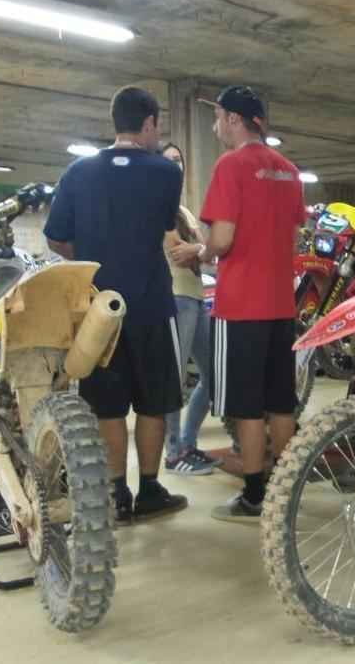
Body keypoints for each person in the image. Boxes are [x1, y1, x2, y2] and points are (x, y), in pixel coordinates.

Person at [44, 86, 187, 524]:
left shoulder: (78, 172)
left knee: (107, 405)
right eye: (156, 125)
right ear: (148, 124)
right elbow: (164, 225)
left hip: (98, 309)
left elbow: (55, 236)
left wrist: (89, 261)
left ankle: (116, 493)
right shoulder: (166, 172)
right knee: (153, 402)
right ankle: (150, 488)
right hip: (150, 304)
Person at [195, 85, 305, 522]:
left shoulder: (231, 165)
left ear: (236, 119)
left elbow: (221, 239)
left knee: (245, 405)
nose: (215, 125)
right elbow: (292, 236)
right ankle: (287, 487)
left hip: (240, 306)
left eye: (218, 116)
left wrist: (197, 252)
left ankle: (255, 496)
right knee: (281, 400)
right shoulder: (289, 170)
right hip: (282, 304)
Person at [159, 142, 220, 475]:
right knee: (174, 378)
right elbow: (177, 250)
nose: (176, 166)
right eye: (168, 160)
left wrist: (200, 248)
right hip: (175, 296)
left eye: (179, 160)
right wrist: (202, 248)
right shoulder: (156, 205)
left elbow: (205, 252)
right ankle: (172, 454)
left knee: (214, 376)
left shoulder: (182, 211)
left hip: (196, 296)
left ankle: (188, 443)